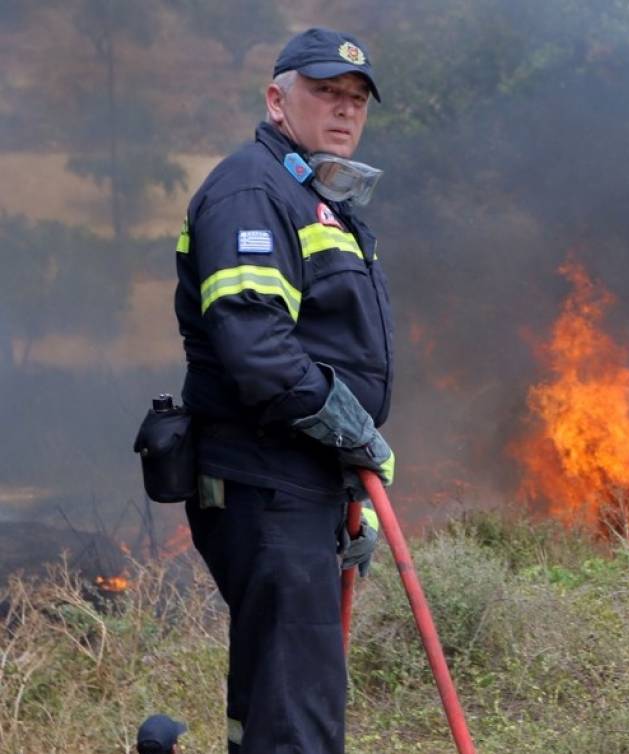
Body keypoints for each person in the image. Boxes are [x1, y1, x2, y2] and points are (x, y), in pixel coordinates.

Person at [173, 27, 393, 754]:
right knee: (299, 710)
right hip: (265, 485)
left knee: (275, 693)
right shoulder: (250, 191)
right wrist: (352, 430)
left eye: (356, 99)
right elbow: (256, 350)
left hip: (301, 486)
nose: (344, 110)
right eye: (326, 92)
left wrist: (345, 489)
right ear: (277, 99)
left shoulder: (311, 197)